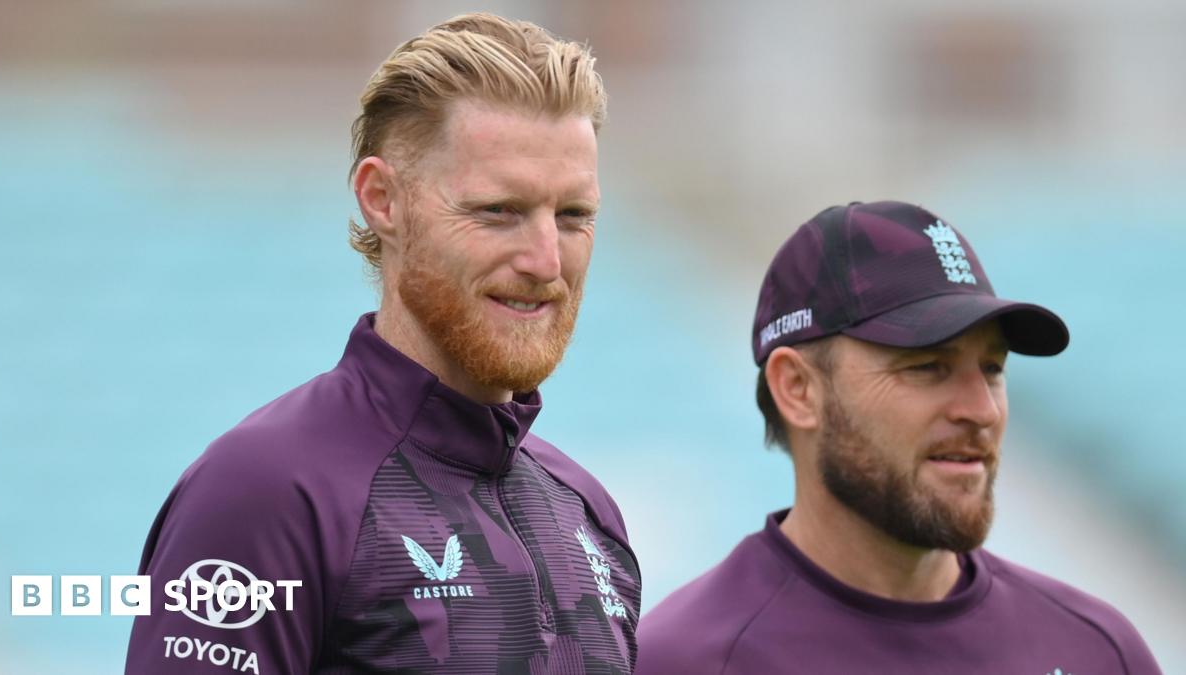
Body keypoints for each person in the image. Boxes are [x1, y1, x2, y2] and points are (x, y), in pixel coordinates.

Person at [126, 13, 640, 674]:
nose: (546, 260)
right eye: (499, 210)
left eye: (574, 216)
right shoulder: (264, 493)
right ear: (382, 199)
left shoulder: (589, 512)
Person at [635, 201, 1161, 674]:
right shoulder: (684, 660)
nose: (981, 409)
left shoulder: (1098, 652)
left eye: (993, 368)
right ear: (797, 389)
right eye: (928, 366)